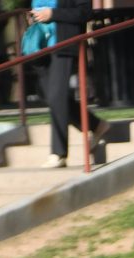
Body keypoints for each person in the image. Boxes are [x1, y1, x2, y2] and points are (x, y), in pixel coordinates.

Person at [27, 1, 109, 168]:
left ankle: (58, 154)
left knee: (56, 95)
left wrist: (52, 14)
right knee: (47, 94)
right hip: (40, 43)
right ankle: (96, 125)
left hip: (63, 44)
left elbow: (84, 12)